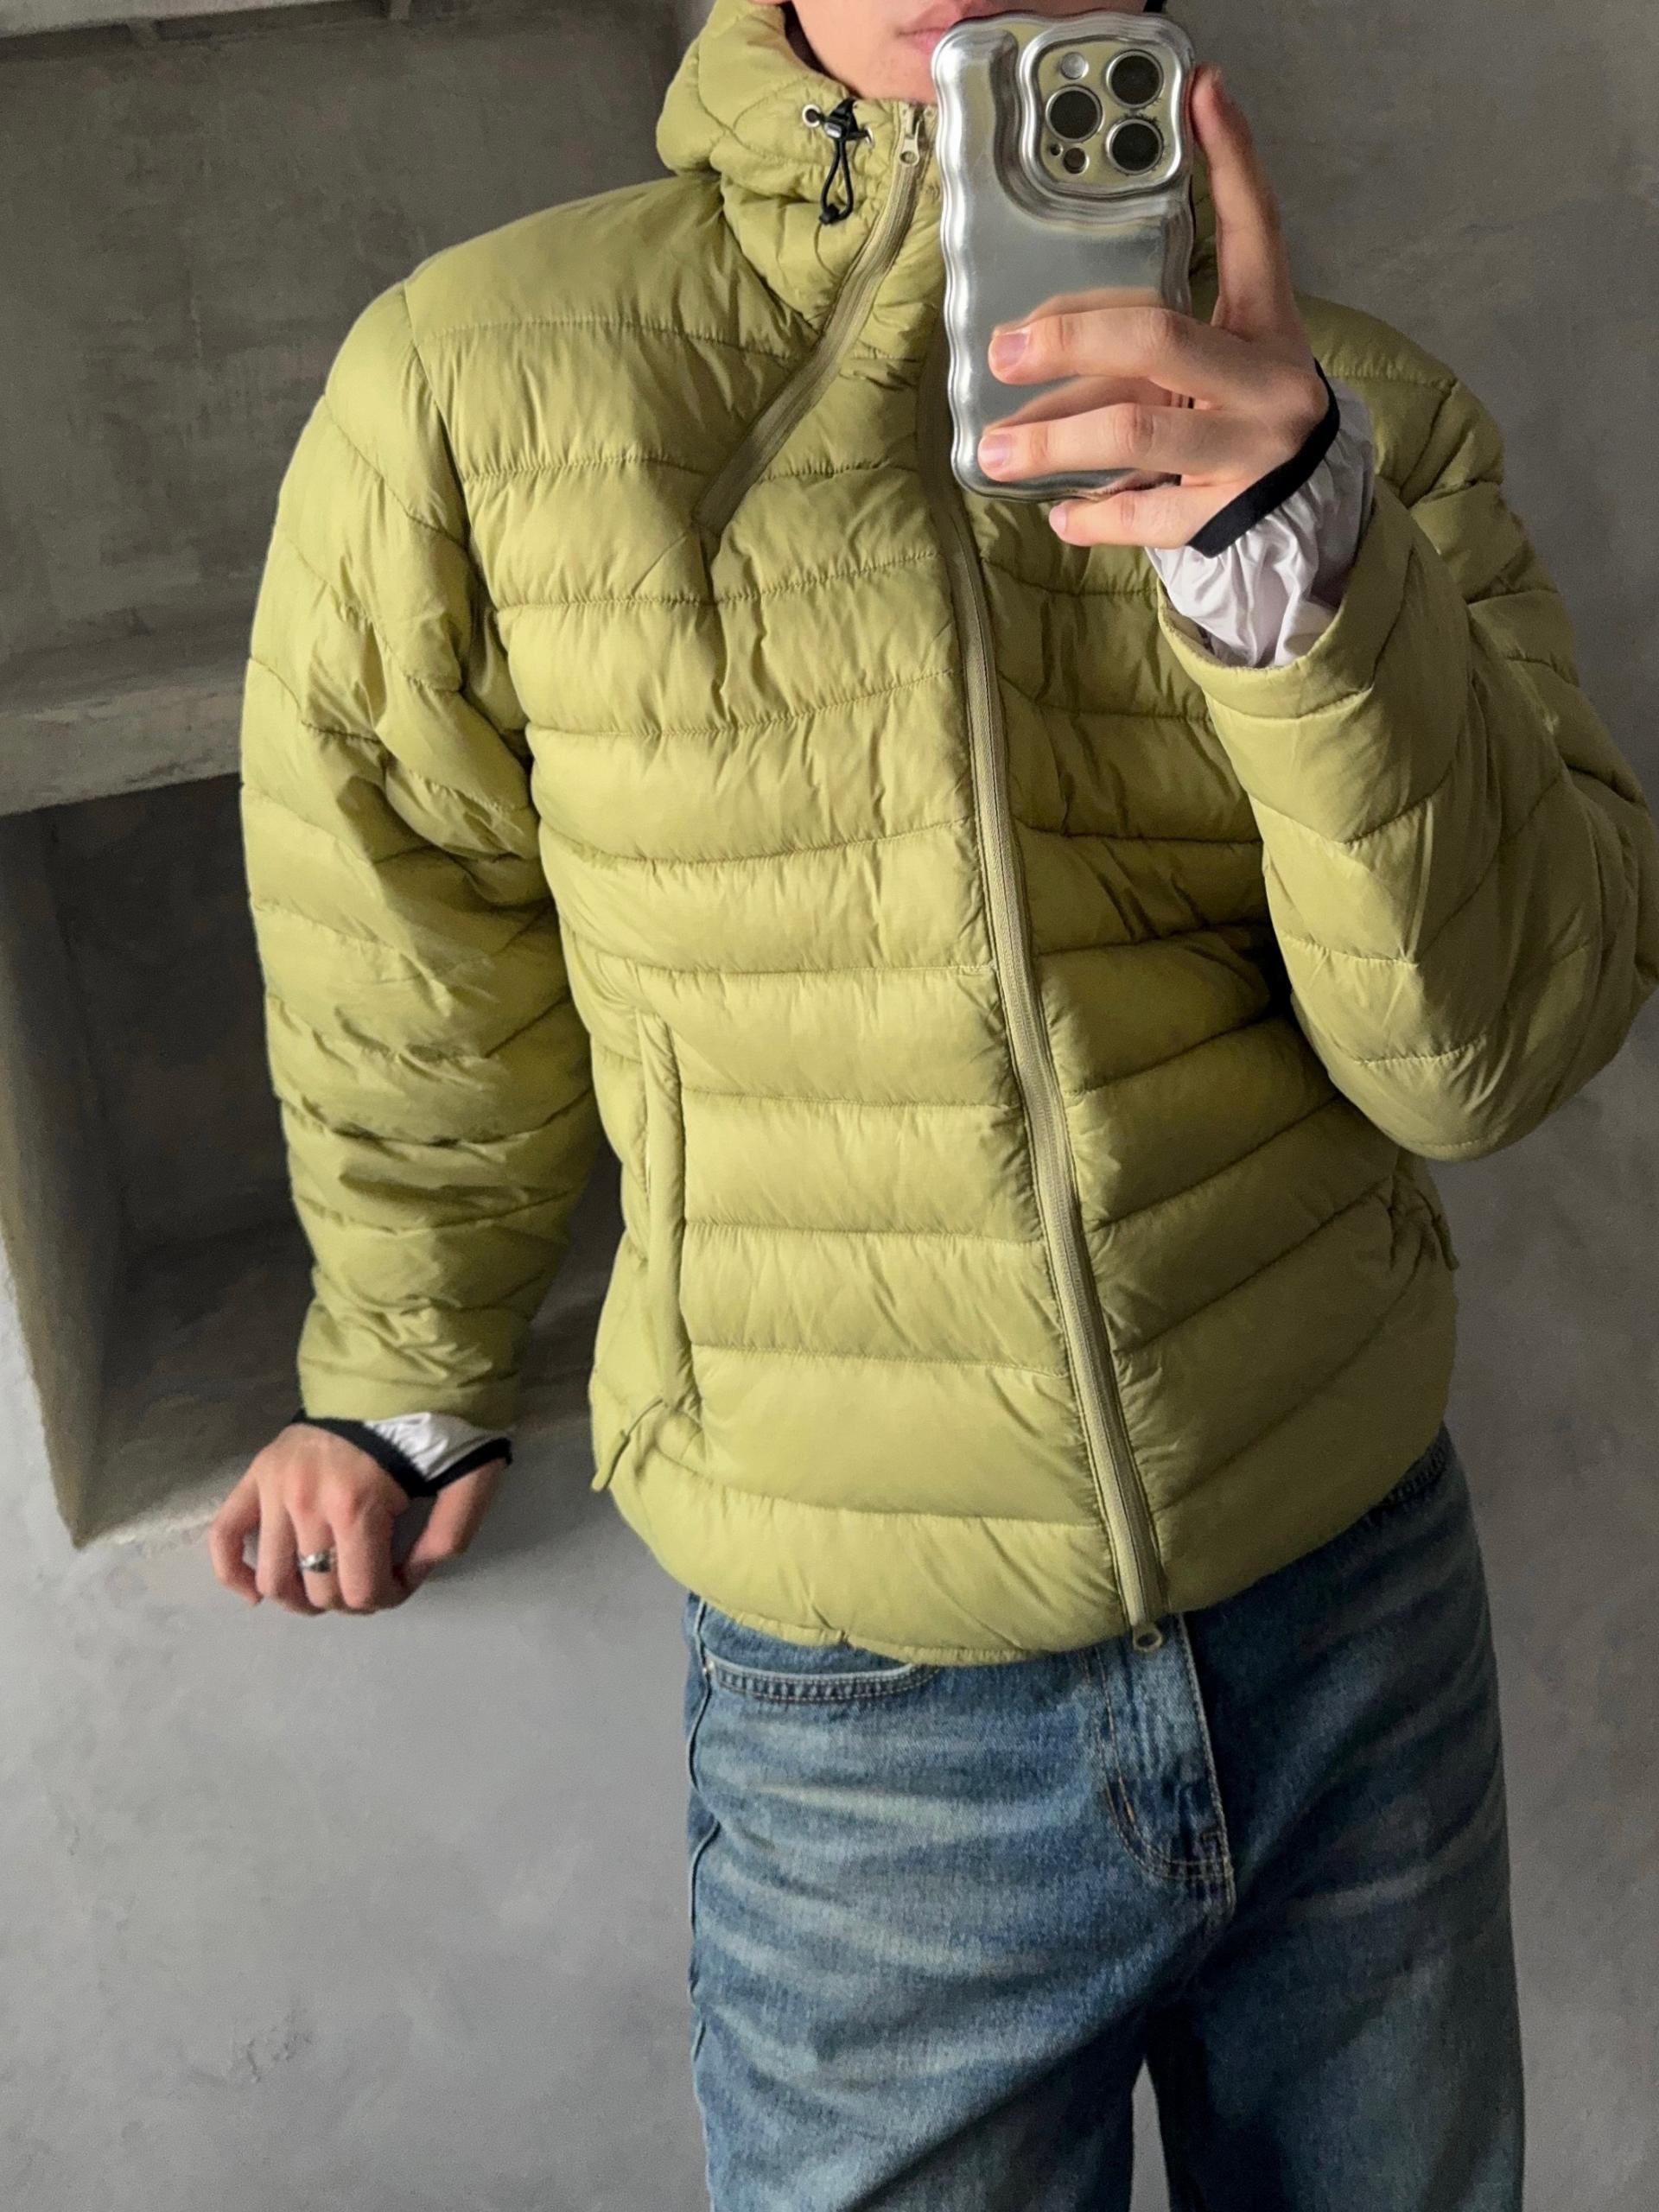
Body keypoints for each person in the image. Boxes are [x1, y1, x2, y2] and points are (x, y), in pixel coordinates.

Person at [210, 1, 1659, 2202]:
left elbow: (1492, 1052)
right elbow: (403, 930)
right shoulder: (476, 383)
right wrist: (403, 1370)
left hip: (1351, 1604)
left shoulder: (1362, 410)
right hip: (868, 1722)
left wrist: (1303, 562)